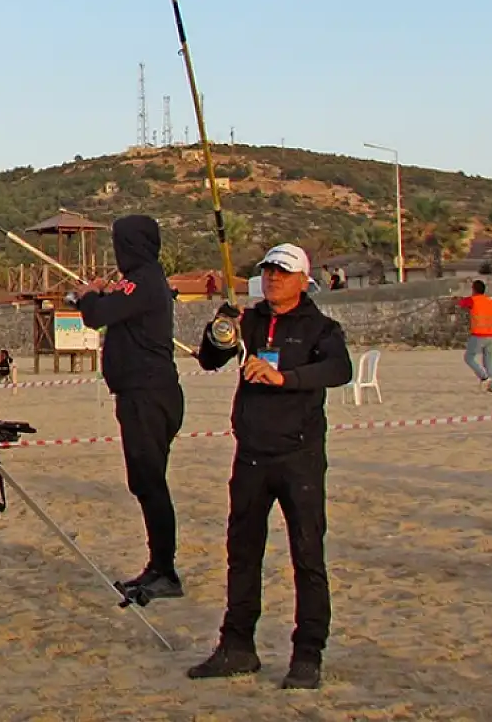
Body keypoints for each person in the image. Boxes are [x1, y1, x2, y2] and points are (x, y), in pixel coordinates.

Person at [187, 243, 353, 691]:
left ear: (303, 278)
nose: (274, 278)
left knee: (307, 555)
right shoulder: (252, 321)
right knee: (242, 553)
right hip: (251, 455)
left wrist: (286, 378)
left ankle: (308, 654)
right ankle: (238, 646)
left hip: (299, 458)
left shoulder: (321, 327)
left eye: (282, 272)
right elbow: (209, 359)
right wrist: (220, 328)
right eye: (268, 271)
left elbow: (341, 370)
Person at [70, 215, 187, 603]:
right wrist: (102, 293)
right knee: (145, 482)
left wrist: (88, 294)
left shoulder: (145, 279)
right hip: (143, 395)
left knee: (150, 483)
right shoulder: (141, 281)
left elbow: (96, 316)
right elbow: (114, 309)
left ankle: (165, 571)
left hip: (148, 396)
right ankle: (158, 567)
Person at [456, 279, 492, 392]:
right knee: (488, 361)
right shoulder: (491, 301)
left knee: (469, 358)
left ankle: (484, 377)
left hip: (479, 334)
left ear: (473, 289)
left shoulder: (473, 300)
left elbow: (461, 303)